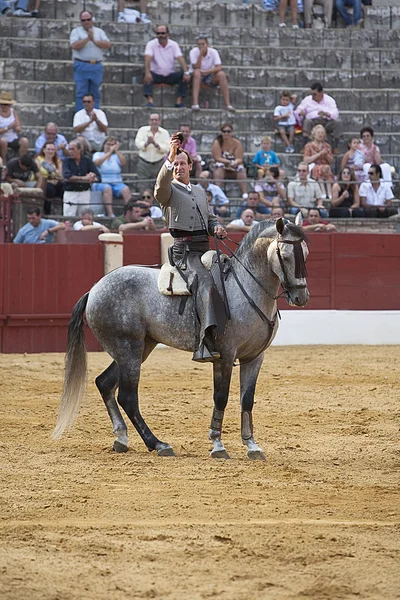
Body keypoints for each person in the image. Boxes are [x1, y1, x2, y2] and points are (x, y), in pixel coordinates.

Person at [155, 133, 227, 363]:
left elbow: (210, 218)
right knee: (204, 283)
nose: (178, 167)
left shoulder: (199, 191)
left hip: (204, 247)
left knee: (228, 275)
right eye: (175, 164)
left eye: (182, 163)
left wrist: (216, 227)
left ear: (190, 166)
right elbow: (159, 186)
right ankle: (204, 341)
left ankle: (227, 332)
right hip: (184, 251)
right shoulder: (168, 191)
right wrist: (171, 155)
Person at [70, 10, 111, 111]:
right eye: (83, 20)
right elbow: (74, 46)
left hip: (96, 65)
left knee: (95, 92)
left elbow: (107, 44)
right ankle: (80, 116)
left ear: (92, 20)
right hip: (81, 64)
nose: (86, 22)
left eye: (88, 19)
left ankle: (95, 115)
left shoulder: (99, 32)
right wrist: (87, 39)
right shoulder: (76, 32)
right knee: (81, 92)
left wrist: (94, 40)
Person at [143, 25, 190, 108]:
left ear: (167, 34)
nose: (160, 35)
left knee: (184, 75)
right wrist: (147, 72)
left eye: (163, 33)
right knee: (147, 74)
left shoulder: (174, 44)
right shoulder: (151, 44)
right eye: (158, 33)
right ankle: (150, 101)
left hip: (170, 74)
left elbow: (180, 58)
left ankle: (179, 101)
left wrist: (186, 72)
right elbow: (147, 58)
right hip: (155, 74)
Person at [189, 36, 235, 112]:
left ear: (207, 44)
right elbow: (196, 67)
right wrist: (200, 55)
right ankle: (195, 104)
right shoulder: (193, 52)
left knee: (222, 74)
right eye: (199, 44)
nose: (201, 46)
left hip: (209, 74)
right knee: (197, 73)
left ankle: (228, 104)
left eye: (203, 44)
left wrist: (207, 71)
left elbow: (219, 67)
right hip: (197, 76)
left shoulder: (213, 52)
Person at [295, 82, 342, 153]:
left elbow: (335, 113)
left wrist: (327, 114)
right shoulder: (307, 100)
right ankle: (304, 146)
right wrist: (300, 113)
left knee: (338, 122)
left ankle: (335, 147)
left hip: (326, 122)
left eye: (315, 94)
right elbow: (297, 111)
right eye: (312, 94)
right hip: (313, 122)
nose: (313, 96)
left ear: (321, 93)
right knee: (307, 121)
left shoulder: (329, 100)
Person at [62, 139, 102, 217]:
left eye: (73, 149)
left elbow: (98, 177)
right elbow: (67, 176)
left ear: (79, 150)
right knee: (69, 215)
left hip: (84, 192)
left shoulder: (87, 161)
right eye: (69, 149)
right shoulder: (66, 161)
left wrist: (92, 178)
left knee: (84, 215)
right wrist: (84, 178)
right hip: (71, 192)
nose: (70, 151)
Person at [92, 136, 131, 213]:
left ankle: (128, 212)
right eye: (108, 144)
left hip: (117, 182)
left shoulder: (116, 156)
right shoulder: (98, 154)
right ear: (103, 145)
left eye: (112, 145)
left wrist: (116, 151)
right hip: (102, 182)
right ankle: (110, 213)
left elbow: (124, 163)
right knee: (107, 189)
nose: (109, 146)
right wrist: (109, 153)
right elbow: (97, 163)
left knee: (126, 189)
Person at [211, 123, 248, 200]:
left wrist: (235, 162)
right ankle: (218, 192)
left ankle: (244, 193)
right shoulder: (217, 142)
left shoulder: (237, 143)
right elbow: (217, 157)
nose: (226, 133)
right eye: (224, 131)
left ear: (232, 132)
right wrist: (228, 162)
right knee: (219, 168)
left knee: (241, 169)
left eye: (228, 131)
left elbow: (239, 158)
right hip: (222, 166)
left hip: (233, 166)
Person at [134, 113, 170, 190]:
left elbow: (167, 148)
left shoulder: (164, 132)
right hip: (144, 163)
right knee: (143, 186)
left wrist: (155, 144)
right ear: (149, 121)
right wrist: (147, 143)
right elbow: (138, 143)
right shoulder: (142, 130)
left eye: (156, 120)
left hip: (159, 162)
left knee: (160, 186)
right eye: (152, 120)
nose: (154, 122)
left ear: (159, 121)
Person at [303, 124, 334, 199]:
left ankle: (329, 192)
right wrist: (319, 154)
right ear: (314, 134)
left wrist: (326, 154)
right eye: (318, 133)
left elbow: (332, 161)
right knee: (319, 168)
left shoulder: (327, 146)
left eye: (322, 133)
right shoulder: (308, 146)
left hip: (326, 167)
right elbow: (306, 160)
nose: (320, 135)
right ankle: (323, 191)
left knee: (326, 167)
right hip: (313, 166)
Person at [35, 142, 64, 215]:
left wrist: (57, 173)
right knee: (49, 189)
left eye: (52, 149)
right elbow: (39, 173)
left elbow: (60, 176)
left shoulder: (58, 161)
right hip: (43, 182)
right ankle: (47, 212)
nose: (50, 151)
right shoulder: (38, 160)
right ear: (44, 150)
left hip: (55, 181)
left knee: (64, 187)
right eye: (48, 149)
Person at [0, 91, 29, 163]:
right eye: (1, 104)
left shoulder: (13, 112)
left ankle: (22, 161)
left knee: (24, 141)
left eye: (5, 104)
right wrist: (7, 128)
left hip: (13, 138)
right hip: (1, 138)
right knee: (3, 141)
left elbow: (18, 128)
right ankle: (4, 162)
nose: (3, 106)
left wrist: (16, 128)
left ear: (9, 105)